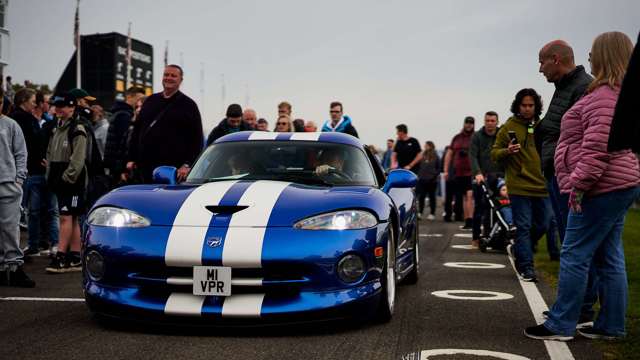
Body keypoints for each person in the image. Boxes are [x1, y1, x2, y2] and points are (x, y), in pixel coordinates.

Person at [525, 31, 639, 341]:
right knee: (609, 255)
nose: (588, 58)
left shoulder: (604, 97)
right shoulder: (614, 93)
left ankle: (561, 324)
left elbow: (599, 148)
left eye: (592, 53)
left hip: (599, 186)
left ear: (605, 56)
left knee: (574, 252)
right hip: (617, 184)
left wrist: (577, 184)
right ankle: (611, 325)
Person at [537, 40, 592, 246]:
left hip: (568, 175)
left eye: (542, 62)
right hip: (557, 171)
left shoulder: (582, 86)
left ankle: (579, 280)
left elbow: (582, 136)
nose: (540, 69)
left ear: (556, 59)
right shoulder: (565, 86)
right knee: (567, 236)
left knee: (573, 242)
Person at [491, 89, 550, 282]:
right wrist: (507, 151)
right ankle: (526, 267)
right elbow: (494, 154)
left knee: (544, 224)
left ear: (536, 106)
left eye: (530, 105)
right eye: (524, 105)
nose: (527, 109)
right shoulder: (509, 126)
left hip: (542, 185)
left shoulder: (543, 125)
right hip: (518, 185)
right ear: (518, 106)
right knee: (523, 227)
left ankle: (518, 249)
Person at [127, 64, 204, 183]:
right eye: (166, 75)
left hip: (173, 171)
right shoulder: (150, 101)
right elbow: (137, 131)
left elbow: (197, 139)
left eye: (173, 75)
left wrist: (187, 165)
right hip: (145, 168)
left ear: (180, 80)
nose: (169, 78)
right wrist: (131, 158)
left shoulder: (189, 105)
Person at [45, 93, 89, 273]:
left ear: (72, 107)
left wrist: (66, 178)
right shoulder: (57, 128)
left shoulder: (77, 129)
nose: (58, 109)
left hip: (72, 181)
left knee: (66, 216)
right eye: (56, 105)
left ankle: (61, 256)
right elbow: (49, 153)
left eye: (63, 106)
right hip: (60, 179)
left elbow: (78, 160)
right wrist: (50, 175)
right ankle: (76, 257)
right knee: (72, 217)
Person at [10, 89, 57, 257]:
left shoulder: (27, 119)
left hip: (32, 171)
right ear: (23, 101)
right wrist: (40, 159)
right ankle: (41, 245)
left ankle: (35, 246)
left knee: (35, 211)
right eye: (32, 100)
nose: (35, 103)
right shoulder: (22, 120)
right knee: (38, 211)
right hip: (29, 171)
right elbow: (28, 145)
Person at [0, 89, 35, 287]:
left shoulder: (11, 125)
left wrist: (18, 180)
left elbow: (21, 153)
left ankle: (13, 268)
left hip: (8, 185)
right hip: (9, 183)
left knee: (11, 228)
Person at [469, 111, 504, 247]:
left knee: (499, 207)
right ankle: (476, 237)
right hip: (481, 177)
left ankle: (496, 236)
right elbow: (472, 156)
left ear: (497, 122)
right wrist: (477, 172)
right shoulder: (477, 136)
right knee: (479, 207)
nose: (490, 123)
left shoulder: (502, 135)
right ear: (484, 121)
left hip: (499, 176)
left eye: (492, 121)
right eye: (487, 120)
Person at [103, 86, 146, 187]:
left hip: (116, 165)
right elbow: (123, 144)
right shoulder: (124, 116)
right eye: (138, 98)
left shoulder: (119, 113)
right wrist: (121, 169)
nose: (139, 101)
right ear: (129, 97)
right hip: (119, 168)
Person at [444, 116, 475, 230]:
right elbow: (449, 154)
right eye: (467, 123)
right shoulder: (457, 138)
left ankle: (471, 219)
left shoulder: (475, 137)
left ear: (473, 124)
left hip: (472, 171)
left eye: (471, 123)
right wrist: (446, 170)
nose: (469, 125)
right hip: (458, 172)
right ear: (464, 124)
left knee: (470, 195)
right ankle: (467, 220)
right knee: (463, 197)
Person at [416, 141, 440, 220]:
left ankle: (432, 213)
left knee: (432, 197)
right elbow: (418, 165)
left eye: (426, 145)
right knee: (421, 196)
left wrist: (434, 176)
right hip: (422, 179)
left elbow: (439, 168)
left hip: (432, 181)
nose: (425, 147)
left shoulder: (436, 156)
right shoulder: (422, 155)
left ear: (430, 146)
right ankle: (420, 213)